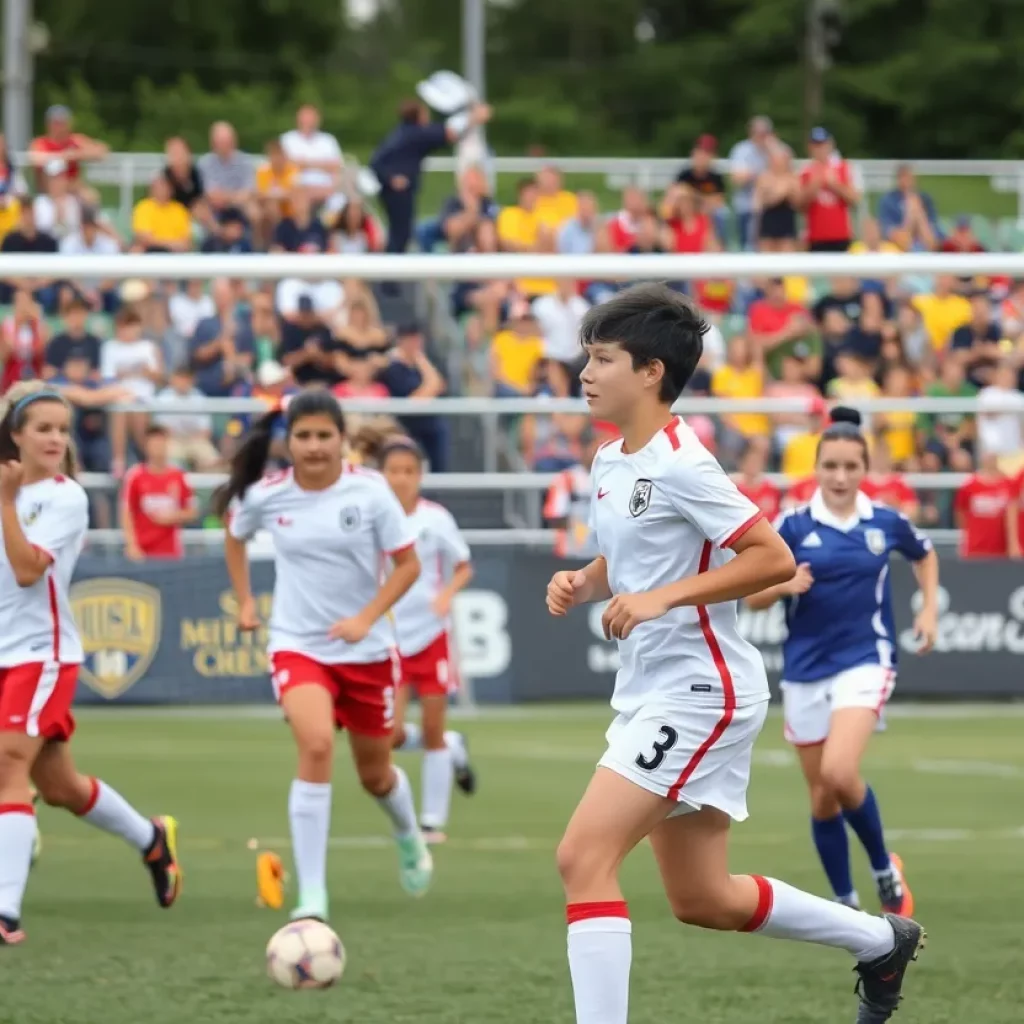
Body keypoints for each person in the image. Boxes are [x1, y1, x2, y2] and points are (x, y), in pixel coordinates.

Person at [545, 284, 925, 1024]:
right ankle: (881, 940)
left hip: (699, 689)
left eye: (601, 359)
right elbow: (626, 562)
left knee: (582, 858)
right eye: (586, 357)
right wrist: (584, 581)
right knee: (702, 899)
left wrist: (663, 598)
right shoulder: (609, 459)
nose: (584, 373)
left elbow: (772, 557)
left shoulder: (685, 462)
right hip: (657, 688)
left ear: (651, 371)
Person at [216, 390, 433, 923]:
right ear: (287, 442)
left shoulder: (372, 492)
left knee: (376, 776)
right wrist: (246, 601)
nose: (314, 447)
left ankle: (408, 836)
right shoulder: (266, 495)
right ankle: (312, 896)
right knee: (315, 746)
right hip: (298, 645)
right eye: (303, 436)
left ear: (342, 439)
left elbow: (408, 566)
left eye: (323, 435)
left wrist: (366, 617)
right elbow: (234, 536)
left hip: (368, 653)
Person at [0, 383, 181, 945]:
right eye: (43, 428)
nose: (56, 438)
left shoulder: (64, 498)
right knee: (59, 787)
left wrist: (5, 502)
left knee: (7, 764)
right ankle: (151, 838)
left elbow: (29, 570)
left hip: (41, 653)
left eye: (62, 429)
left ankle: (4, 910)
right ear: (16, 437)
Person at [746, 408, 939, 923]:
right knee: (821, 797)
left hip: (865, 658)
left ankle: (883, 868)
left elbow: (924, 554)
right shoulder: (791, 525)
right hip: (806, 667)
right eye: (830, 466)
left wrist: (929, 609)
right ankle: (846, 905)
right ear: (817, 466)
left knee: (838, 771)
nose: (840, 477)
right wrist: (782, 585)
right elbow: (753, 597)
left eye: (851, 467)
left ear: (865, 468)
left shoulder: (884, 521)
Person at [373, 435, 477, 843]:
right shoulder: (375, 517)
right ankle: (454, 747)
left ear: (420, 476)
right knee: (390, 735)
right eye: (393, 471)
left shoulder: (436, 518)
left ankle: (432, 821)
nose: (401, 479)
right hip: (390, 637)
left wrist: (446, 595)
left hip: (431, 636)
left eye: (409, 471)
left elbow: (464, 566)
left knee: (432, 727)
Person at [120, 424, 198, 561]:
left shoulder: (178, 476)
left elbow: (192, 511)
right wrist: (132, 545)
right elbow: (127, 513)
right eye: (154, 443)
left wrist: (173, 516)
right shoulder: (135, 476)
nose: (158, 447)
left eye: (161, 443)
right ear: (146, 446)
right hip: (142, 553)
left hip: (170, 552)